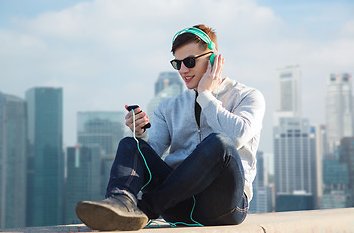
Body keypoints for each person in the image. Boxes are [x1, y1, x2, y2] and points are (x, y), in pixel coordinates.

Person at [75, 24, 265, 231]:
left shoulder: (248, 96)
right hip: (177, 203)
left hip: (222, 206)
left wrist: (206, 96)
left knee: (220, 143)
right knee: (132, 144)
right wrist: (140, 133)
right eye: (178, 64)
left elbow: (236, 136)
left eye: (190, 62)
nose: (183, 70)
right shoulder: (168, 107)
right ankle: (119, 202)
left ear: (213, 60)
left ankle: (144, 210)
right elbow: (152, 154)